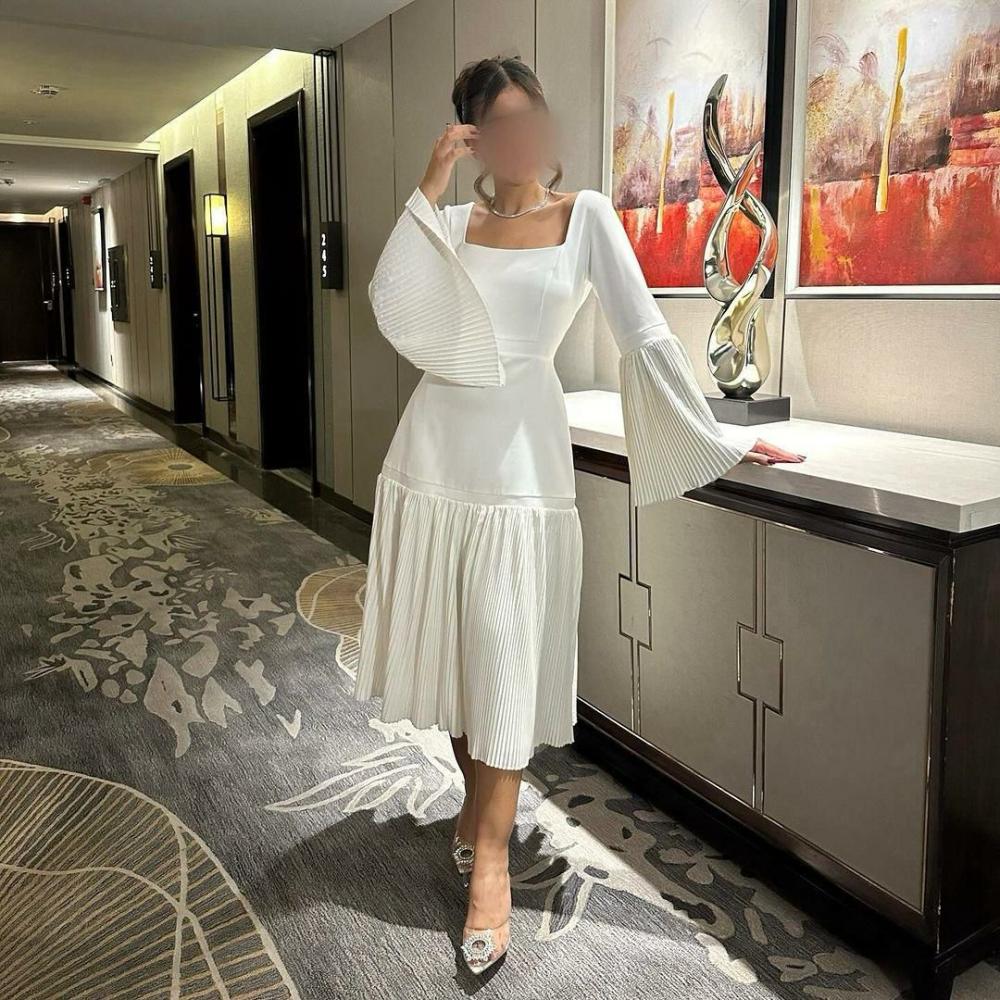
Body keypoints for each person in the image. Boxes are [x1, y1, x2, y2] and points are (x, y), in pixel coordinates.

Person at [352, 54, 804, 975]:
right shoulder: (448, 222)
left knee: (504, 651)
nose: (521, 137)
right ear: (474, 136)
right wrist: (429, 182)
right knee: (459, 655)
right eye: (498, 124)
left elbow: (643, 335)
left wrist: (718, 432)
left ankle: (490, 858)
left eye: (531, 117)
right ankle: (480, 814)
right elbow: (390, 299)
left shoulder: (585, 214)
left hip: (522, 459)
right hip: (434, 453)